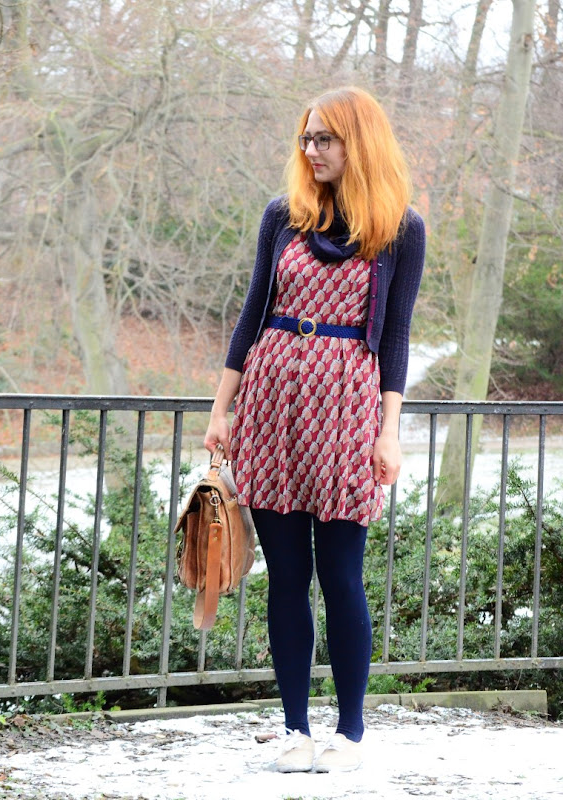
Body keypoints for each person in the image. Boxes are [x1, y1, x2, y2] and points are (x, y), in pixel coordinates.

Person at [203, 86, 425, 773]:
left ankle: (349, 733)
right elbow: (249, 316)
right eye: (306, 138)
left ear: (357, 142)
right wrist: (221, 409)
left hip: (349, 404)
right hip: (272, 397)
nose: (312, 150)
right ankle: (296, 729)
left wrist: (389, 431)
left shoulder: (398, 228)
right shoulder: (283, 217)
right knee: (286, 575)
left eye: (325, 138)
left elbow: (394, 338)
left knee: (342, 575)